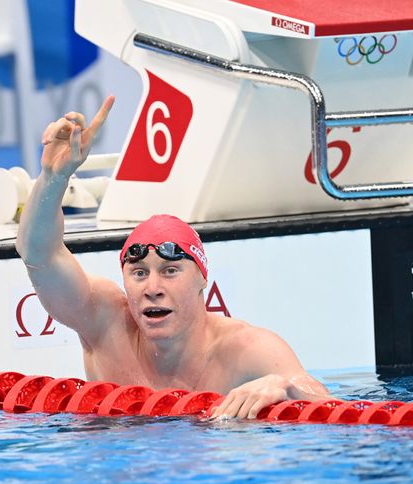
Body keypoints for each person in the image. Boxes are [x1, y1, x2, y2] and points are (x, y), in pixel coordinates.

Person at [16, 96, 330, 419]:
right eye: (138, 273)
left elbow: (328, 407)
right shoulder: (104, 324)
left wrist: (283, 386)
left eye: (169, 271)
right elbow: (38, 253)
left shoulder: (245, 350)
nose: (152, 287)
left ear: (202, 279)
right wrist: (53, 178)